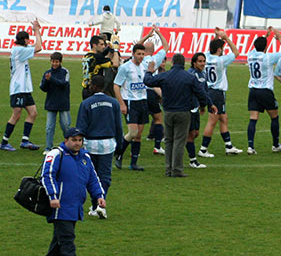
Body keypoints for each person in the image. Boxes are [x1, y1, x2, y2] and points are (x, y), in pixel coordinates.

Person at [40, 127, 105, 256]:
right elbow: (47, 175)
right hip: (60, 207)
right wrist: (53, 197)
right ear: (66, 140)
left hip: (75, 207)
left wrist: (99, 196)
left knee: (59, 241)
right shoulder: (56, 154)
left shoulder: (85, 157)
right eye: (74, 140)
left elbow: (92, 179)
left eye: (80, 140)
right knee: (68, 241)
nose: (77, 143)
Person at [144, 54, 212, 177]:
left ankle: (168, 169)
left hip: (168, 112)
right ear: (183, 63)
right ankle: (177, 169)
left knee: (169, 141)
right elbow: (200, 93)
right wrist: (204, 105)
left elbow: (148, 81)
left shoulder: (165, 75)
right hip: (183, 112)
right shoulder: (189, 77)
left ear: (173, 63)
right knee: (179, 141)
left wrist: (149, 71)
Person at [112, 28, 167, 171]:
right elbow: (116, 86)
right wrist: (122, 104)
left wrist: (157, 34)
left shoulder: (146, 65)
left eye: (143, 54)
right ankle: (118, 153)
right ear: (133, 54)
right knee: (132, 132)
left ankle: (133, 163)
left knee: (138, 135)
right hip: (130, 102)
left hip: (143, 101)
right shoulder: (125, 68)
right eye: (139, 54)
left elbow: (166, 48)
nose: (141, 56)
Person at [75, 75, 121, 219]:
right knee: (105, 177)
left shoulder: (86, 103)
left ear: (94, 86)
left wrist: (77, 145)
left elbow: (80, 127)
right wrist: (120, 146)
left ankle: (95, 204)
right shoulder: (113, 103)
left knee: (90, 176)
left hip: (91, 144)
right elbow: (118, 126)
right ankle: (100, 205)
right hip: (108, 144)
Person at [198, 29, 243, 158]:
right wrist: (227, 38)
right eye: (221, 48)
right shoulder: (221, 61)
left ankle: (229, 146)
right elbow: (236, 52)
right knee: (212, 121)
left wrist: (217, 37)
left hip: (209, 90)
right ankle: (203, 149)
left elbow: (211, 48)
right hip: (217, 92)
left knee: (224, 118)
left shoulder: (206, 58)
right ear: (219, 50)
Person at [1, 20, 43, 152]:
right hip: (18, 88)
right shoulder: (19, 50)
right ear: (24, 40)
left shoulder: (19, 49)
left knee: (33, 113)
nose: (29, 42)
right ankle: (4, 142)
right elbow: (39, 47)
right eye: (28, 40)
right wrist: (36, 31)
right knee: (17, 114)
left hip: (24, 89)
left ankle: (25, 140)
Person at [246, 28, 281, 154]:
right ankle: (275, 145)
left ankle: (250, 147)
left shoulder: (250, 55)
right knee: (274, 117)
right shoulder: (268, 57)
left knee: (253, 118)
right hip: (265, 90)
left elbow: (258, 46)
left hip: (253, 90)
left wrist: (266, 36)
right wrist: (279, 38)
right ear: (266, 48)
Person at [39, 52, 71, 153]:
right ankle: (48, 147)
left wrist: (51, 79)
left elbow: (63, 84)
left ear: (60, 62)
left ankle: (69, 146)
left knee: (65, 126)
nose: (54, 64)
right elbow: (43, 88)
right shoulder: (47, 73)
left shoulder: (65, 72)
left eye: (56, 62)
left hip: (63, 103)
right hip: (51, 103)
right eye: (53, 61)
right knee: (49, 127)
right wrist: (46, 81)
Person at [81, 35, 114, 100]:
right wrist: (115, 49)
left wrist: (109, 48)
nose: (103, 47)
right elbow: (115, 63)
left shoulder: (87, 56)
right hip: (94, 89)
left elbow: (101, 55)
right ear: (94, 45)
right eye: (101, 44)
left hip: (86, 88)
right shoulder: (97, 58)